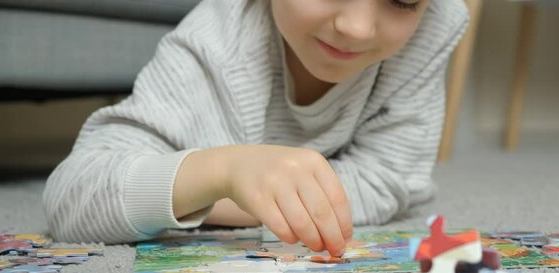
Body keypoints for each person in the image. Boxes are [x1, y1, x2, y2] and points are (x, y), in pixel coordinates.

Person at [43, 0, 468, 257]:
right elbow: (72, 197)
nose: (356, 28)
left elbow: (390, 180)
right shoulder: (214, 40)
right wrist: (221, 174)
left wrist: (235, 198)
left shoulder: (435, 23)